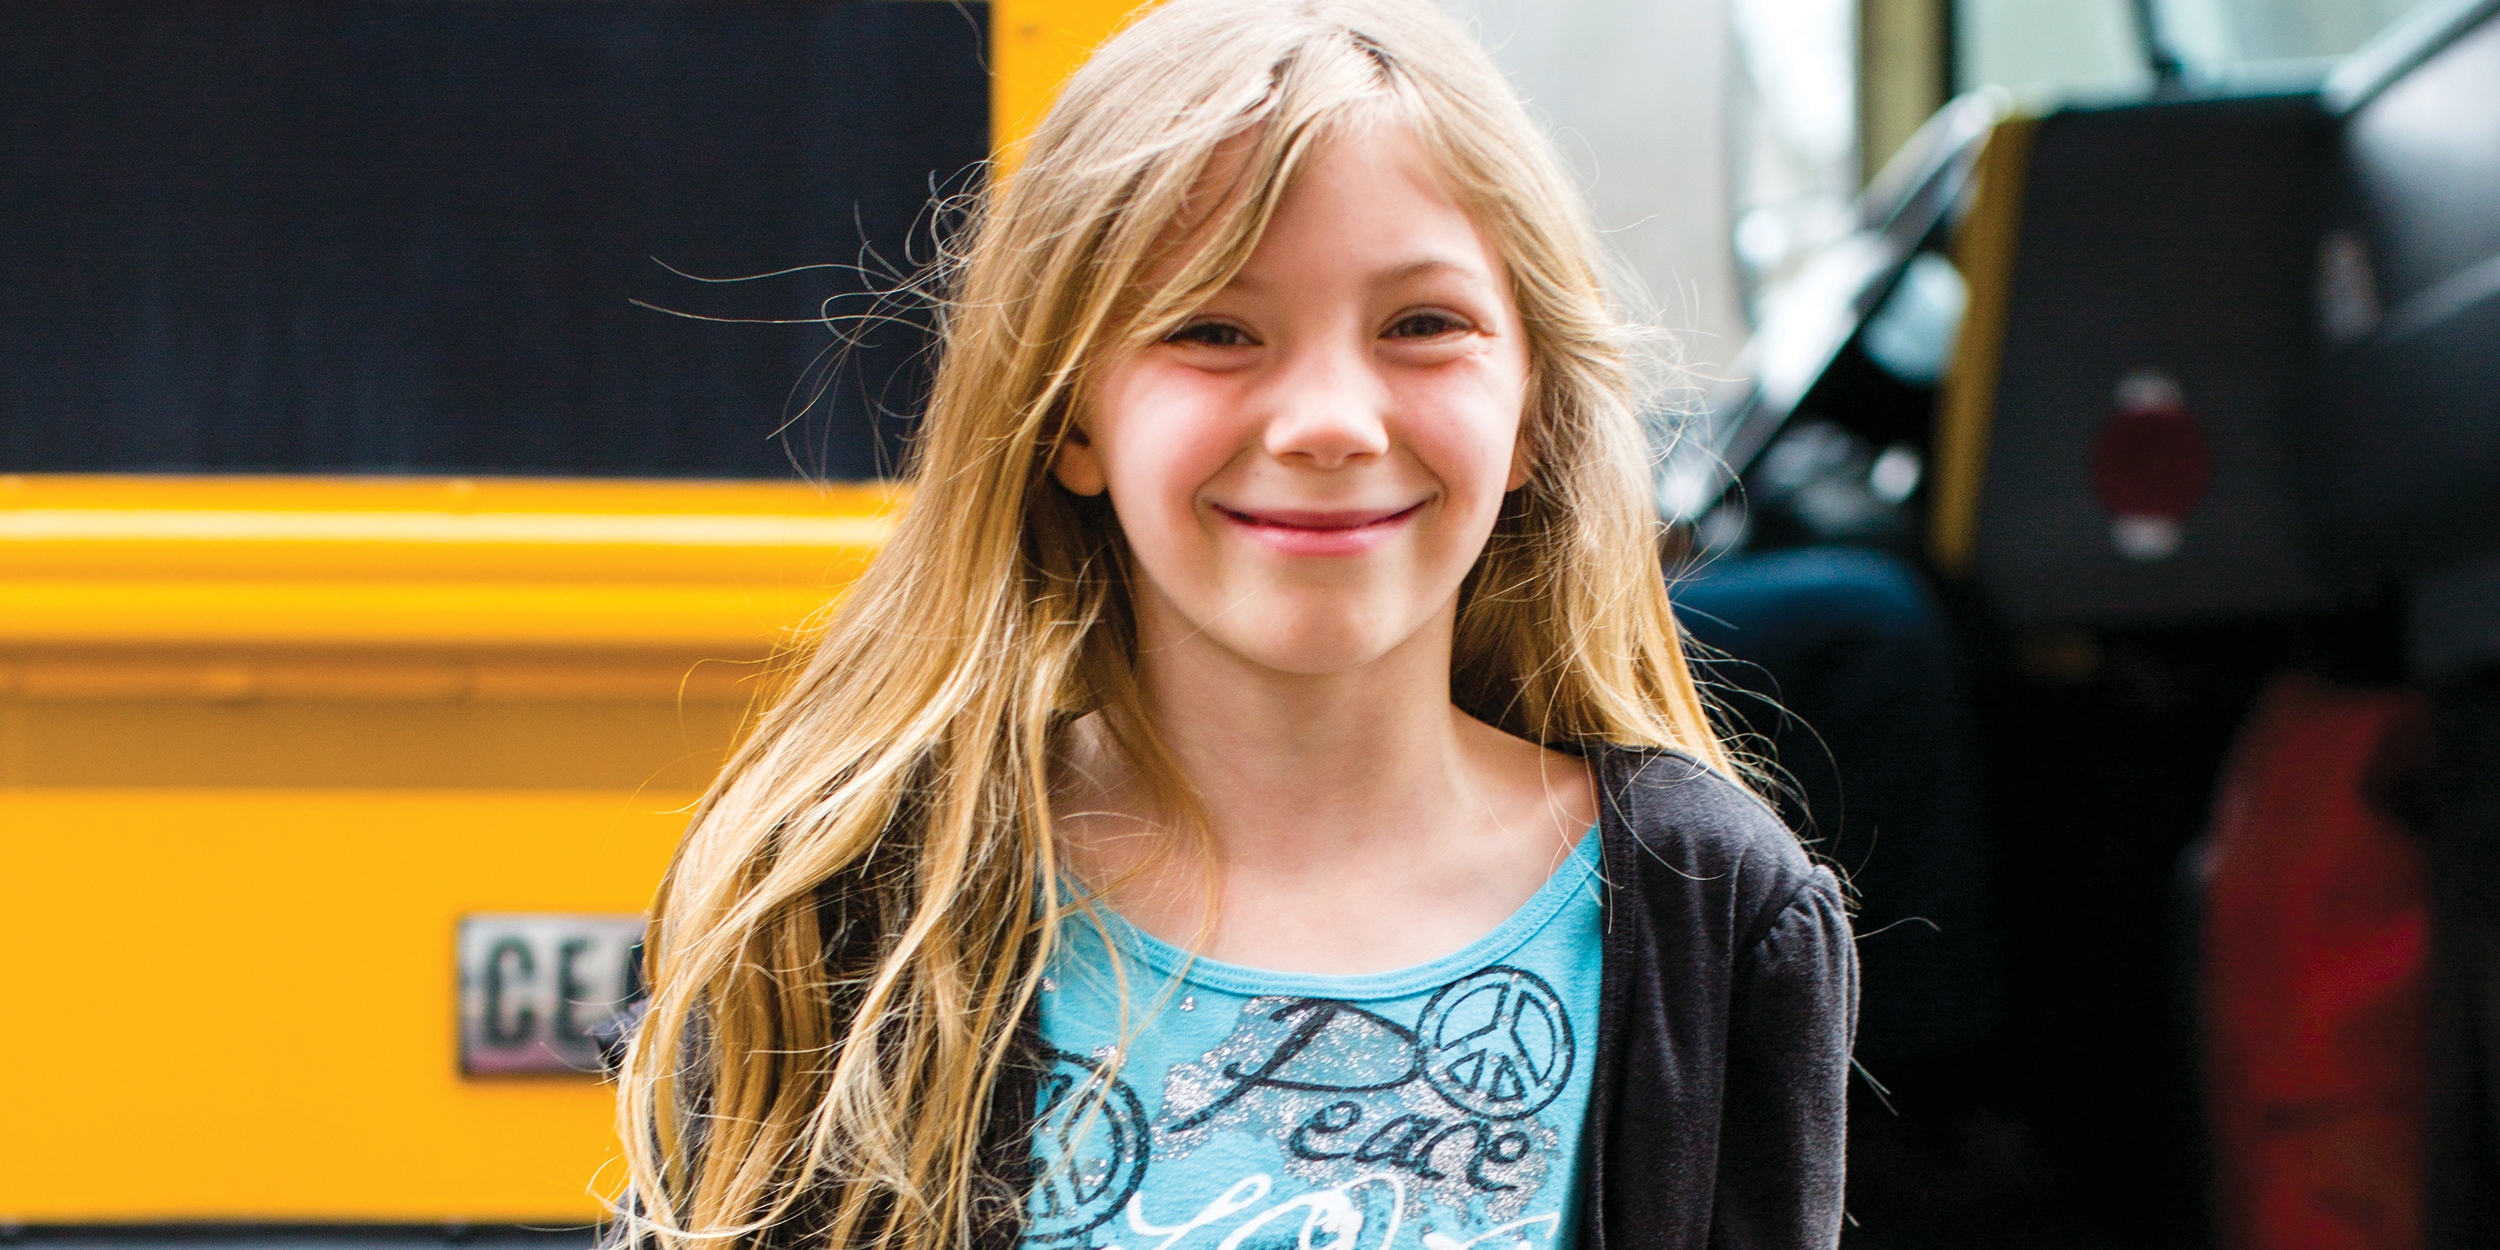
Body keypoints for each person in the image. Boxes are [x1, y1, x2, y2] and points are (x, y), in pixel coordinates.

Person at [610, 4, 1856, 1250]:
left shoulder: (1712, 910)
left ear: (1534, 407)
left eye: (1422, 325)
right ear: (1070, 417)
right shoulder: (852, 899)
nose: (1329, 421)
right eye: (1213, 328)